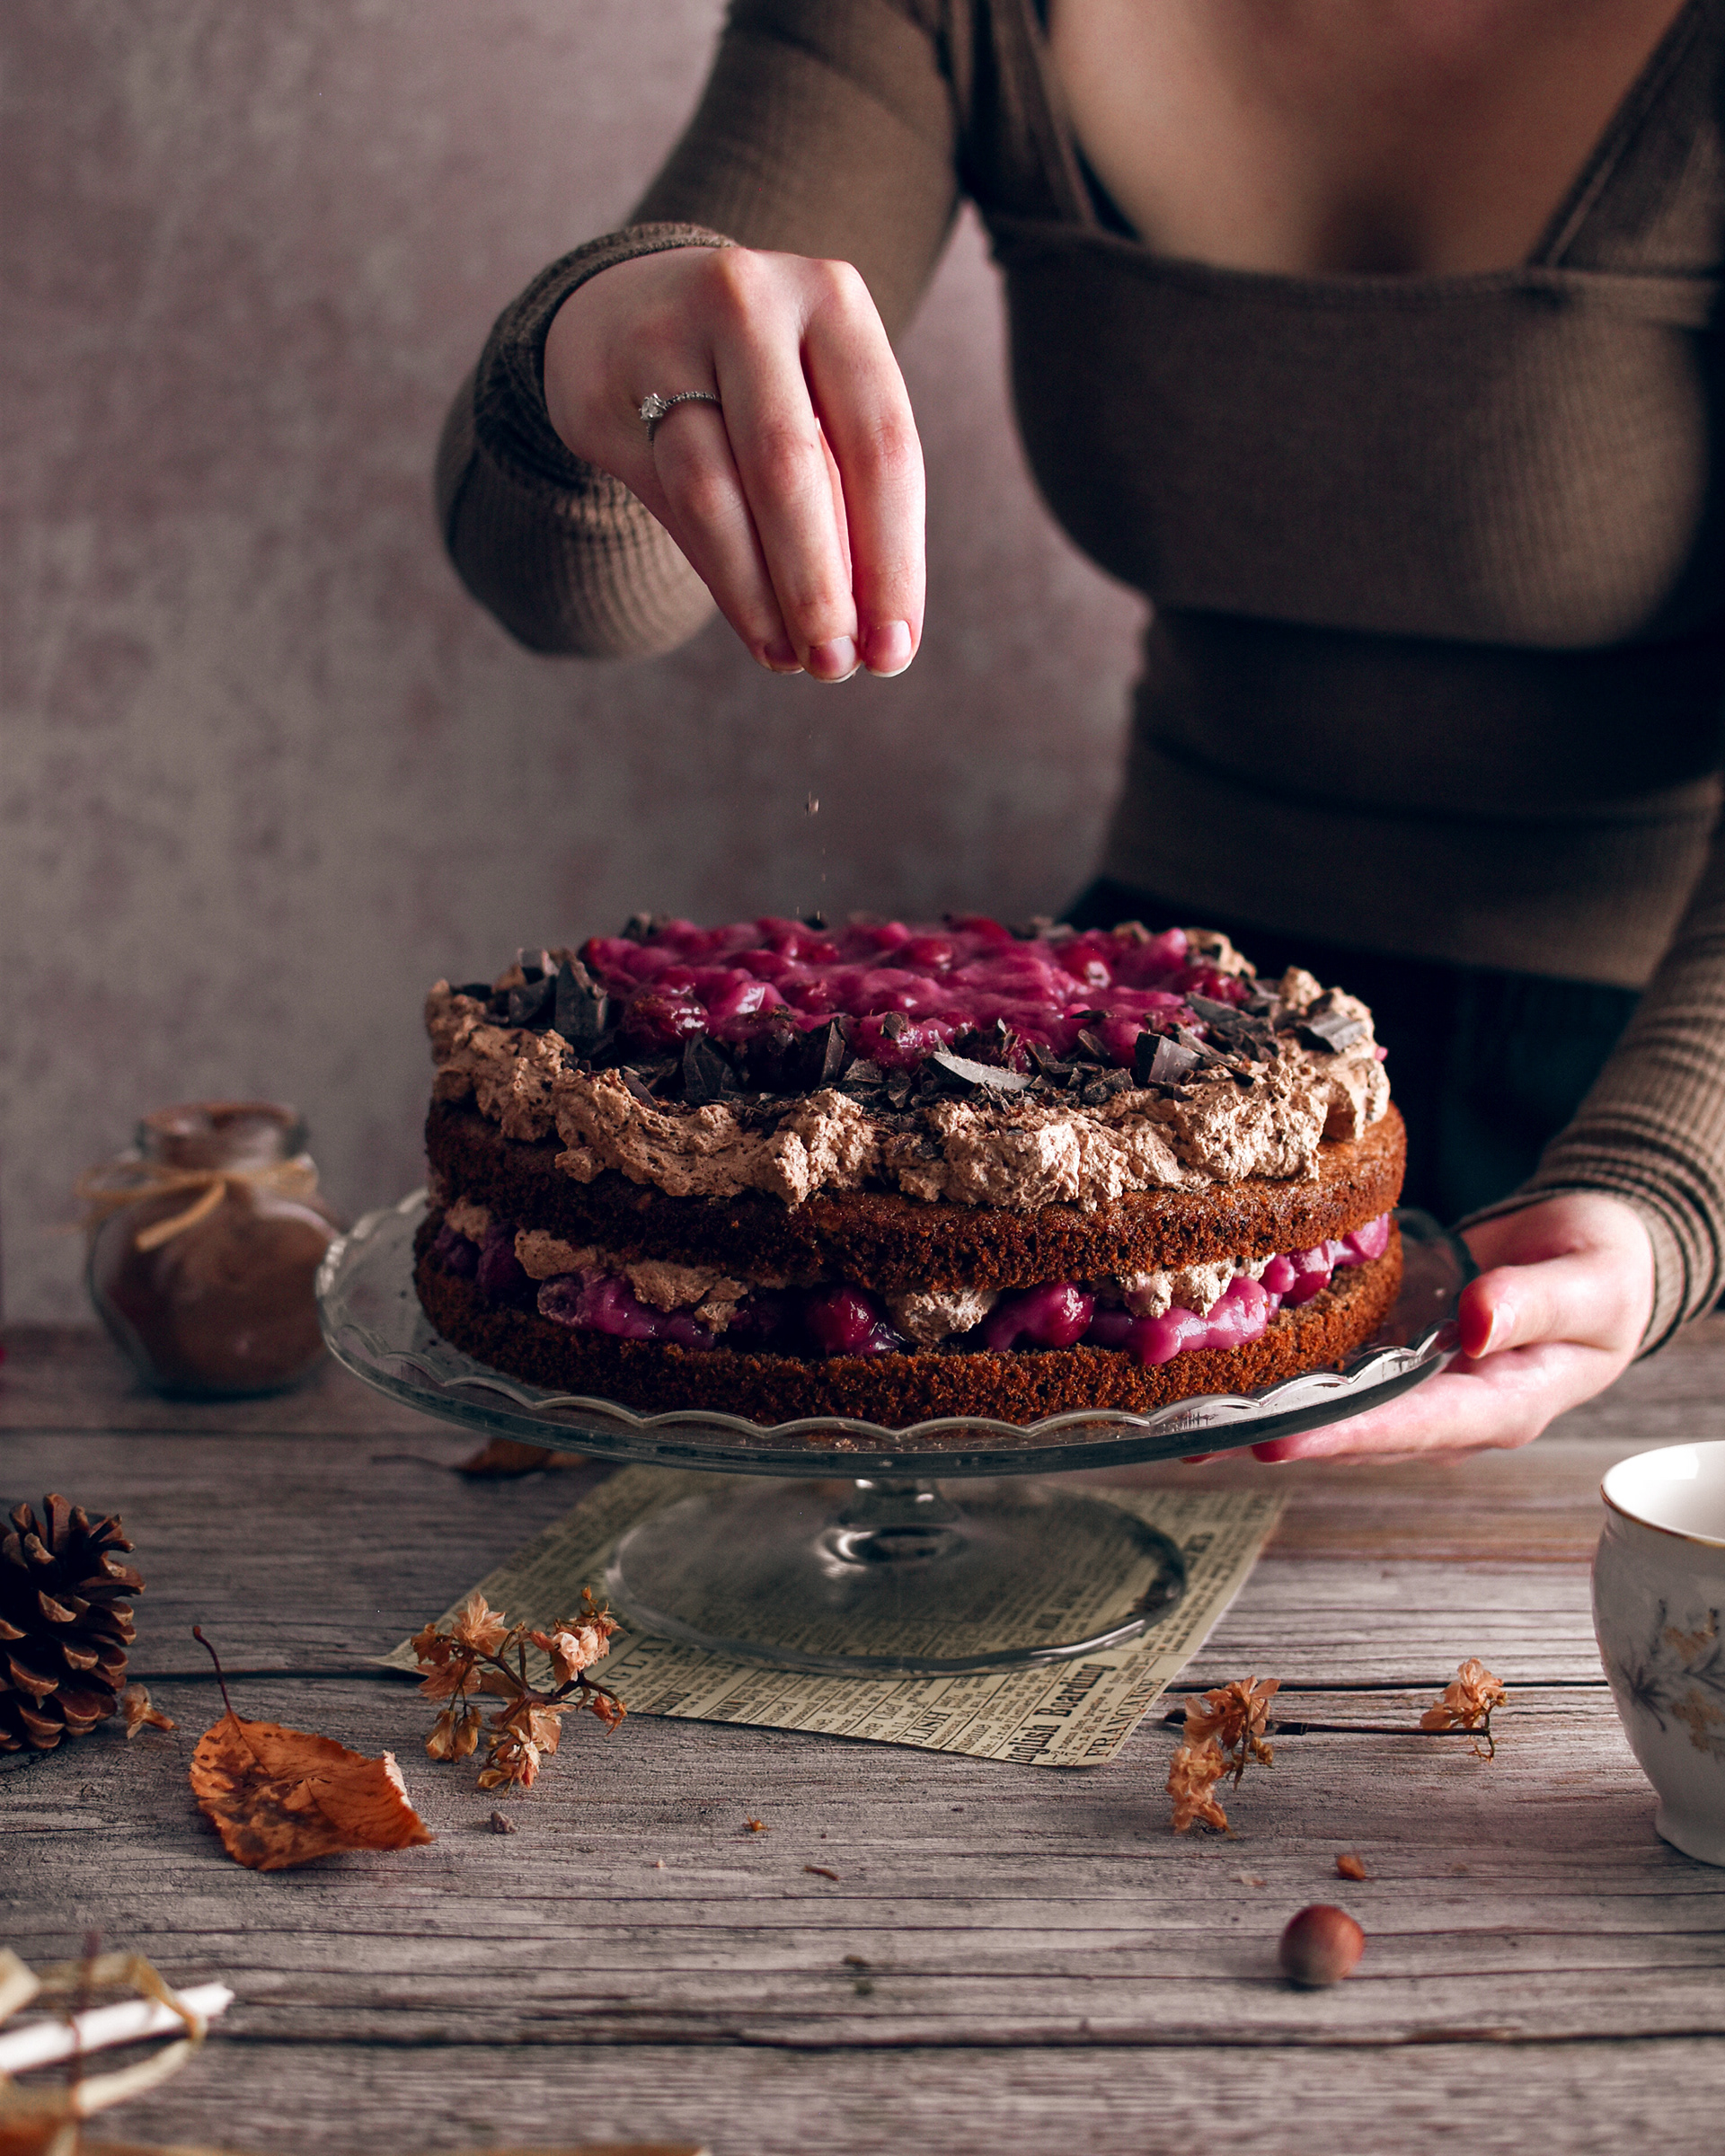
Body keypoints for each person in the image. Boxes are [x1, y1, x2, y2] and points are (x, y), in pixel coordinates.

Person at [433, 0, 1723, 1461]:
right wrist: (587, 351)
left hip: (1652, 1104)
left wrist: (1670, 1191)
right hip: (1096, 1105)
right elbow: (580, 593)